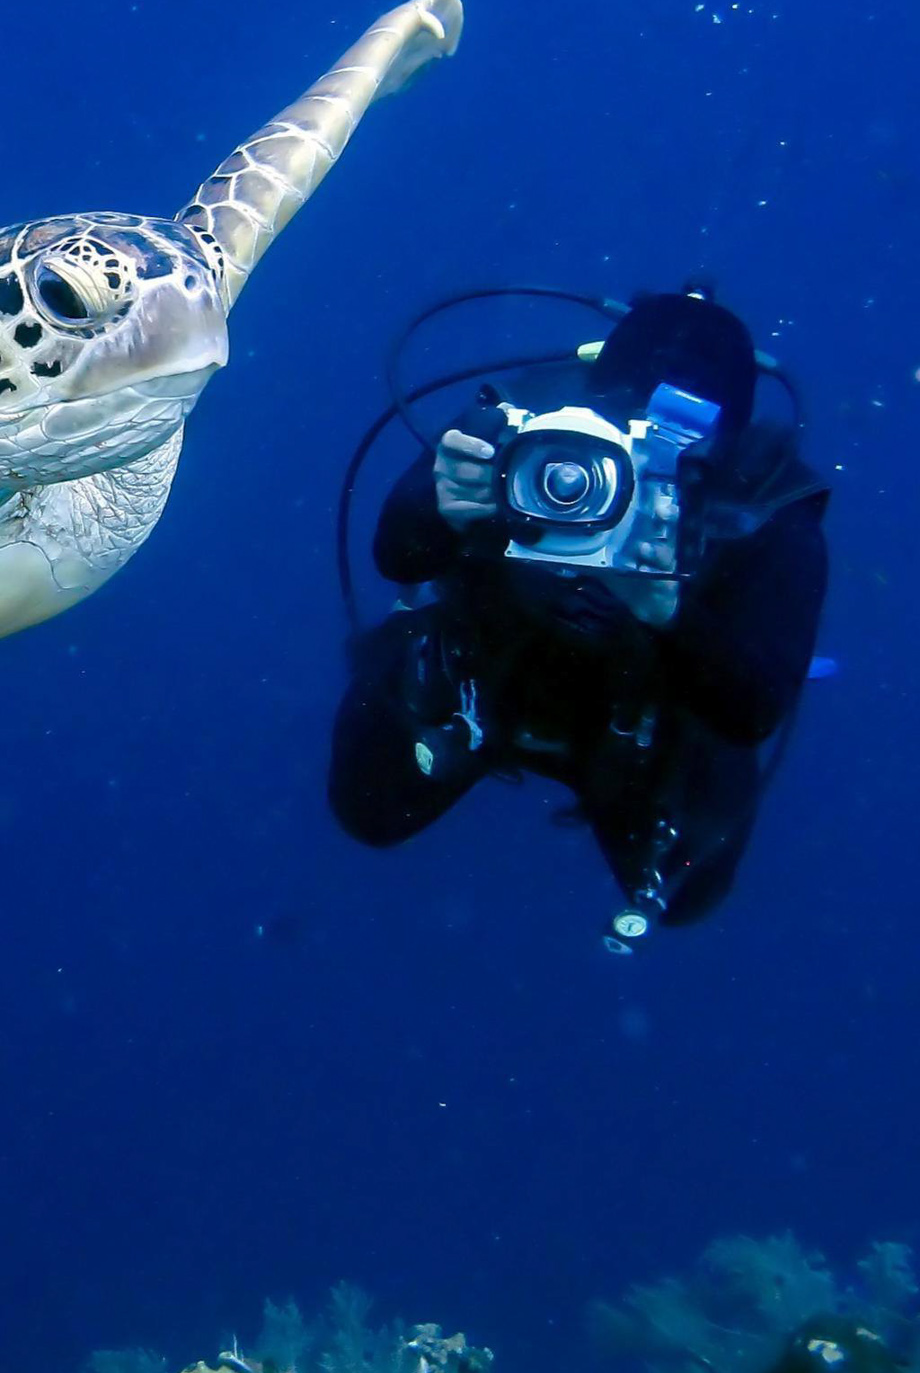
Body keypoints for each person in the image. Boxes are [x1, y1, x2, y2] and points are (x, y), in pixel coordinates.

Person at [328, 284, 829, 950]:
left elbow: (755, 709)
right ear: (587, 396)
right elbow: (400, 556)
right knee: (366, 811)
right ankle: (428, 672)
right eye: (625, 423)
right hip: (484, 670)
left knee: (688, 893)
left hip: (648, 720)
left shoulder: (768, 512)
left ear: (728, 447)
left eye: (682, 448)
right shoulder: (513, 424)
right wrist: (444, 509)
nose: (643, 461)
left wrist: (664, 610)